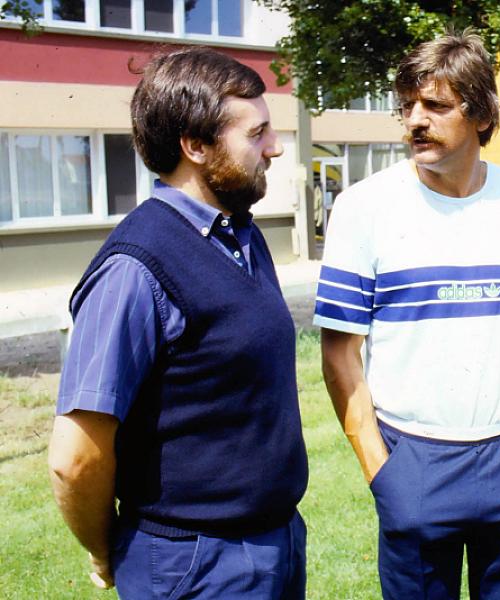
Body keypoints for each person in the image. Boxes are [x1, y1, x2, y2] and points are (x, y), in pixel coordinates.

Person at [314, 30, 500, 600]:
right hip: (415, 459)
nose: (414, 120)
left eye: (434, 105)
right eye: (406, 106)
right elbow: (339, 351)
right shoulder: (364, 209)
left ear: (482, 115)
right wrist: (381, 469)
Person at [48, 47, 308, 598]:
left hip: (275, 542)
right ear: (195, 146)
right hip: (194, 563)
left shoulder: (240, 234)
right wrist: (103, 549)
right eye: (257, 133)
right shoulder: (134, 269)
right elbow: (76, 458)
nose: (277, 147)